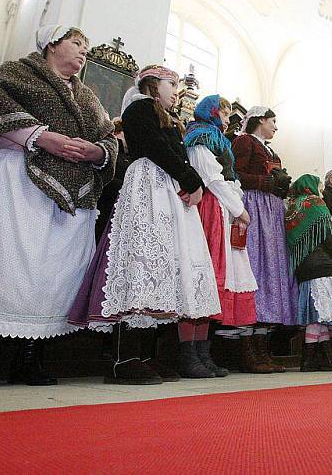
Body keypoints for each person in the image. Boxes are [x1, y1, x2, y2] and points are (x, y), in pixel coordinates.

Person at [0, 25, 118, 388]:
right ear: (52, 43)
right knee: (2, 262)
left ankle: (29, 356)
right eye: (76, 43)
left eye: (86, 47)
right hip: (15, 178)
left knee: (49, 272)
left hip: (71, 193)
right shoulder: (15, 73)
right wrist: (39, 136)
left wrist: (97, 152)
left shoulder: (89, 97)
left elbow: (107, 138)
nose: (83, 52)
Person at [82, 65, 219, 384]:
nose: (176, 91)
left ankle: (144, 355)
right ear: (153, 84)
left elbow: (174, 154)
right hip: (149, 185)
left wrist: (186, 180)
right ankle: (122, 359)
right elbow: (158, 148)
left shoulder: (167, 116)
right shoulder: (139, 108)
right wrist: (190, 178)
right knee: (141, 263)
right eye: (172, 84)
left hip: (167, 187)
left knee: (160, 268)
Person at [178, 95, 257, 378]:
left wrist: (236, 205)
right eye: (223, 113)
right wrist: (239, 208)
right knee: (202, 278)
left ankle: (203, 351)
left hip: (222, 208)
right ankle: (188, 353)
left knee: (213, 283)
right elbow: (210, 177)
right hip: (209, 208)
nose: (227, 119)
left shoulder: (218, 140)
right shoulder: (200, 137)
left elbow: (228, 178)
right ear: (211, 112)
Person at [231, 106, 296, 373]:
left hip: (271, 209)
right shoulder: (244, 141)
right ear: (260, 120)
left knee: (271, 271)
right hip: (254, 206)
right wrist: (264, 181)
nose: (276, 127)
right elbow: (234, 174)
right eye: (273, 121)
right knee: (256, 266)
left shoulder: (271, 150)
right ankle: (247, 350)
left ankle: (262, 348)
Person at [285, 174, 332, 371]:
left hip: (304, 267)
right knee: (323, 313)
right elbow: (331, 236)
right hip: (322, 265)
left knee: (319, 314)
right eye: (318, 185)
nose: (321, 190)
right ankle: (317, 358)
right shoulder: (314, 203)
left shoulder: (293, 206)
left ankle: (316, 358)